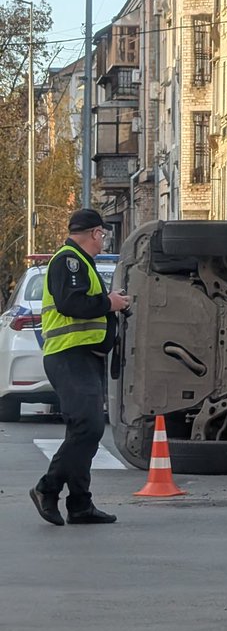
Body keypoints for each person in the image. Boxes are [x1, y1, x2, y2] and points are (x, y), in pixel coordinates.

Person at [29, 209, 131, 527]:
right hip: (69, 355)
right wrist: (108, 303)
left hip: (83, 357)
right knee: (89, 427)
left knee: (80, 430)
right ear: (95, 232)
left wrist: (113, 305)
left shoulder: (80, 262)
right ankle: (47, 489)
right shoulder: (69, 260)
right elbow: (70, 304)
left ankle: (80, 504)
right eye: (103, 235)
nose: (104, 241)